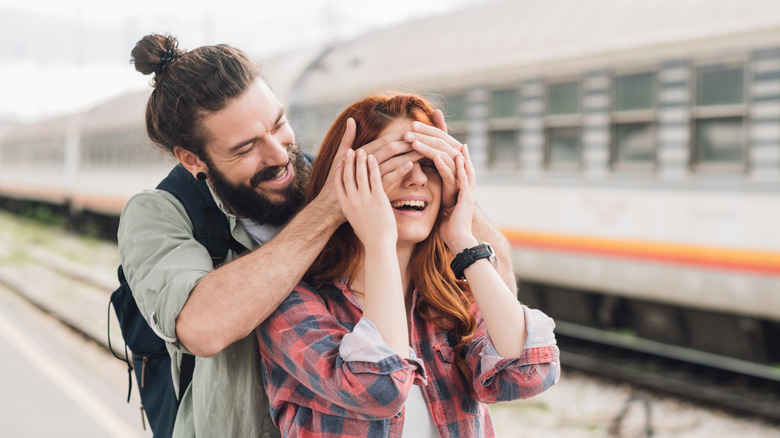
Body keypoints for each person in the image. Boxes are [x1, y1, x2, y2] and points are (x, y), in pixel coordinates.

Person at [118, 34, 518, 437]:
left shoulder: (337, 178)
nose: (278, 155)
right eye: (246, 148)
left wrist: (456, 196)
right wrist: (328, 209)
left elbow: (501, 302)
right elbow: (204, 328)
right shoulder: (158, 213)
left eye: (279, 125)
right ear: (192, 159)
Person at [257, 93, 560, 437]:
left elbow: (529, 374)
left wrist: (461, 234)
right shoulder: (292, 305)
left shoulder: (450, 297)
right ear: (347, 180)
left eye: (430, 164)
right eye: (395, 162)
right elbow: (380, 387)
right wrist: (379, 241)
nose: (416, 178)